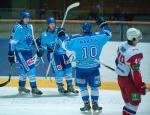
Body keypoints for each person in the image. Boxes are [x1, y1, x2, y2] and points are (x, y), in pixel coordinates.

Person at [60, 17, 111, 113]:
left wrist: (61, 34)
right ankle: (95, 104)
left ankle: (86, 104)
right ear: (90, 29)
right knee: (94, 87)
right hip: (94, 68)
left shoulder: (76, 39)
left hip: (81, 69)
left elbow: (64, 44)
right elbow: (108, 33)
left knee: (83, 87)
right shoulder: (98, 38)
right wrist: (103, 24)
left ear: (82, 29)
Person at [37, 17, 78, 95]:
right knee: (59, 71)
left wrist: (62, 34)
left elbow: (66, 40)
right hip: (53, 55)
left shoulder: (59, 30)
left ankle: (70, 86)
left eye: (54, 24)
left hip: (62, 53)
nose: (53, 25)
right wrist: (41, 50)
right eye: (51, 24)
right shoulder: (44, 34)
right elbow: (43, 46)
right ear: (48, 25)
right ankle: (60, 87)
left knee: (68, 69)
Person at [8, 11, 43, 96]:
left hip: (28, 52)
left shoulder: (29, 27)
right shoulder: (18, 28)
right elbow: (12, 41)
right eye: (25, 18)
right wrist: (11, 53)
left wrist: (37, 43)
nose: (27, 20)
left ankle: (21, 87)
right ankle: (34, 88)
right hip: (21, 52)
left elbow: (30, 40)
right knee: (31, 68)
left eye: (28, 18)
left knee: (23, 70)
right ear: (21, 18)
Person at [115, 28, 147, 115]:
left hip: (120, 80)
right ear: (133, 39)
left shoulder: (121, 45)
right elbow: (135, 72)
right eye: (137, 37)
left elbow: (116, 61)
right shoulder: (134, 53)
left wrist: (120, 68)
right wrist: (140, 85)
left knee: (128, 103)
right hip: (130, 82)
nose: (139, 39)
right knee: (134, 103)